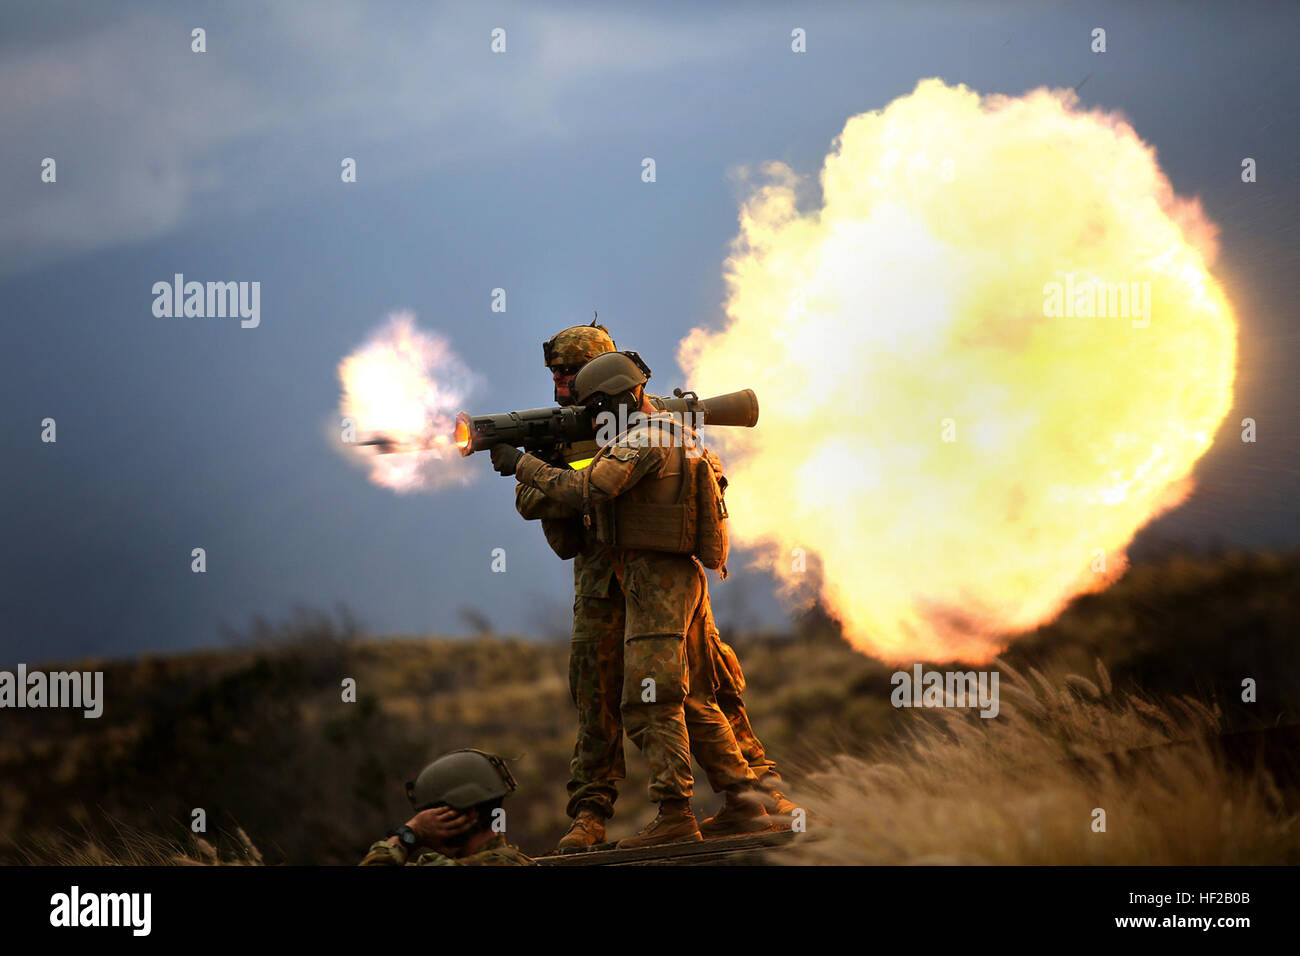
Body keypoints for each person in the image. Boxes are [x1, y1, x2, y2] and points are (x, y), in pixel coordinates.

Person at [521, 322, 794, 849]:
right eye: (556, 373)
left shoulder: (644, 430)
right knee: (596, 696)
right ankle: (591, 815)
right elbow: (533, 501)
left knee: (699, 686)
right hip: (601, 580)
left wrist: (557, 479)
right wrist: (550, 475)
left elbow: (589, 488)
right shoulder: (567, 432)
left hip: (659, 579)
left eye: (572, 373)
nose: (562, 384)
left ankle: (761, 793)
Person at [359, 749, 534, 866]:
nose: (426, 819)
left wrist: (411, 834)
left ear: (468, 813)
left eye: (432, 812)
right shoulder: (515, 860)